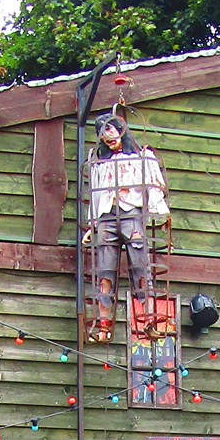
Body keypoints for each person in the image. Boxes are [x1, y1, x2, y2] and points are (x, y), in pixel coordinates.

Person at [82, 113, 167, 342]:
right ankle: (103, 327)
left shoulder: (143, 157)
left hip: (132, 215)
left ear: (121, 130)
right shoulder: (100, 164)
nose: (108, 136)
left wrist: (160, 211)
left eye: (111, 129)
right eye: (102, 132)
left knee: (140, 268)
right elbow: (96, 195)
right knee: (105, 273)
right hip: (107, 218)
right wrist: (92, 225)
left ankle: (149, 321)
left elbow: (155, 186)